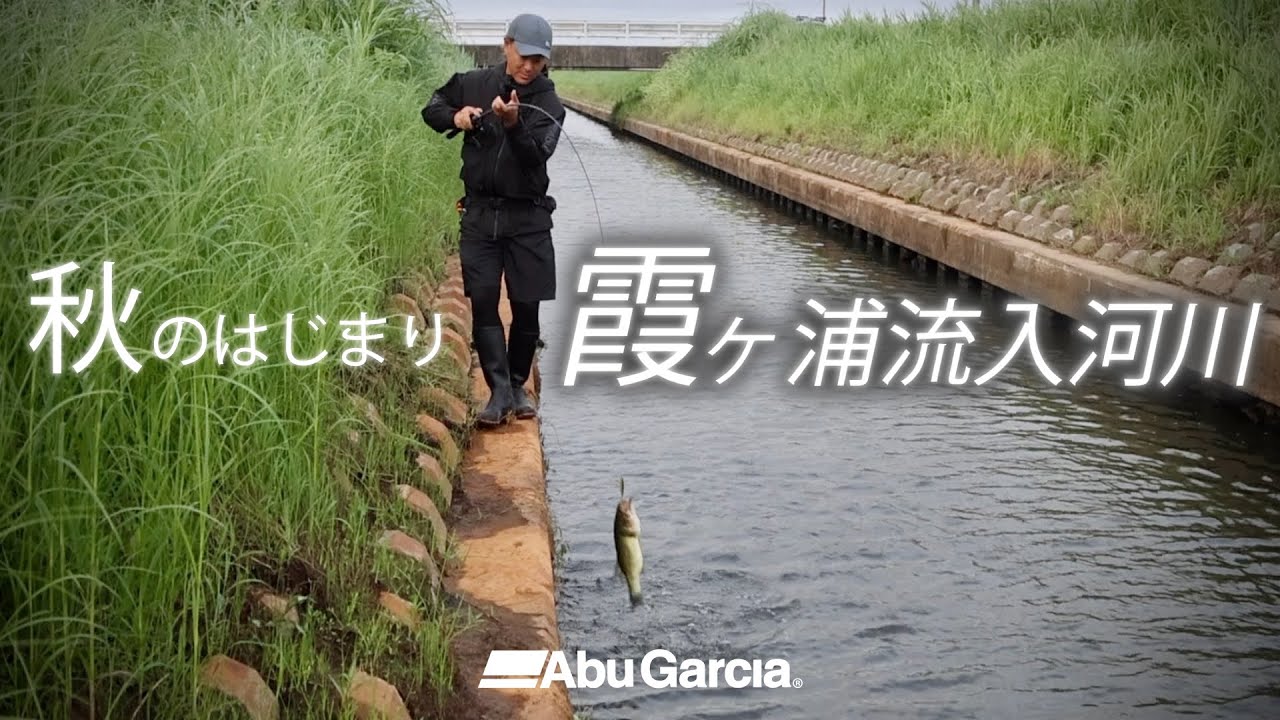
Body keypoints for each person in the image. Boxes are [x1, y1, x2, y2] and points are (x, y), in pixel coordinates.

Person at [421, 13, 566, 428]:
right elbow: (431, 108)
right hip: (480, 215)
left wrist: (514, 125)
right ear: (507, 45)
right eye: (523, 56)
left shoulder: (550, 104)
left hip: (528, 217)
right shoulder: (474, 83)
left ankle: (518, 384)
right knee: (483, 301)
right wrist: (457, 117)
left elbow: (536, 155)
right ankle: (499, 391)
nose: (529, 67)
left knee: (526, 305)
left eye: (538, 60)